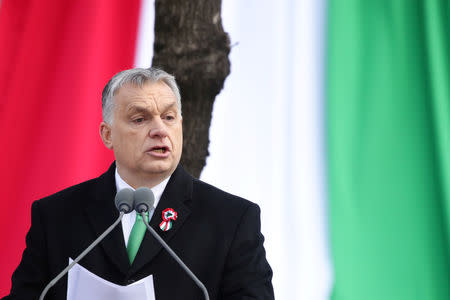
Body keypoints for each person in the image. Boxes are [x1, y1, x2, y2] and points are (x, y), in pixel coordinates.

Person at [3, 67, 274, 300]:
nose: (159, 130)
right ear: (107, 135)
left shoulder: (231, 219)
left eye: (168, 117)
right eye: (140, 119)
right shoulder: (56, 216)